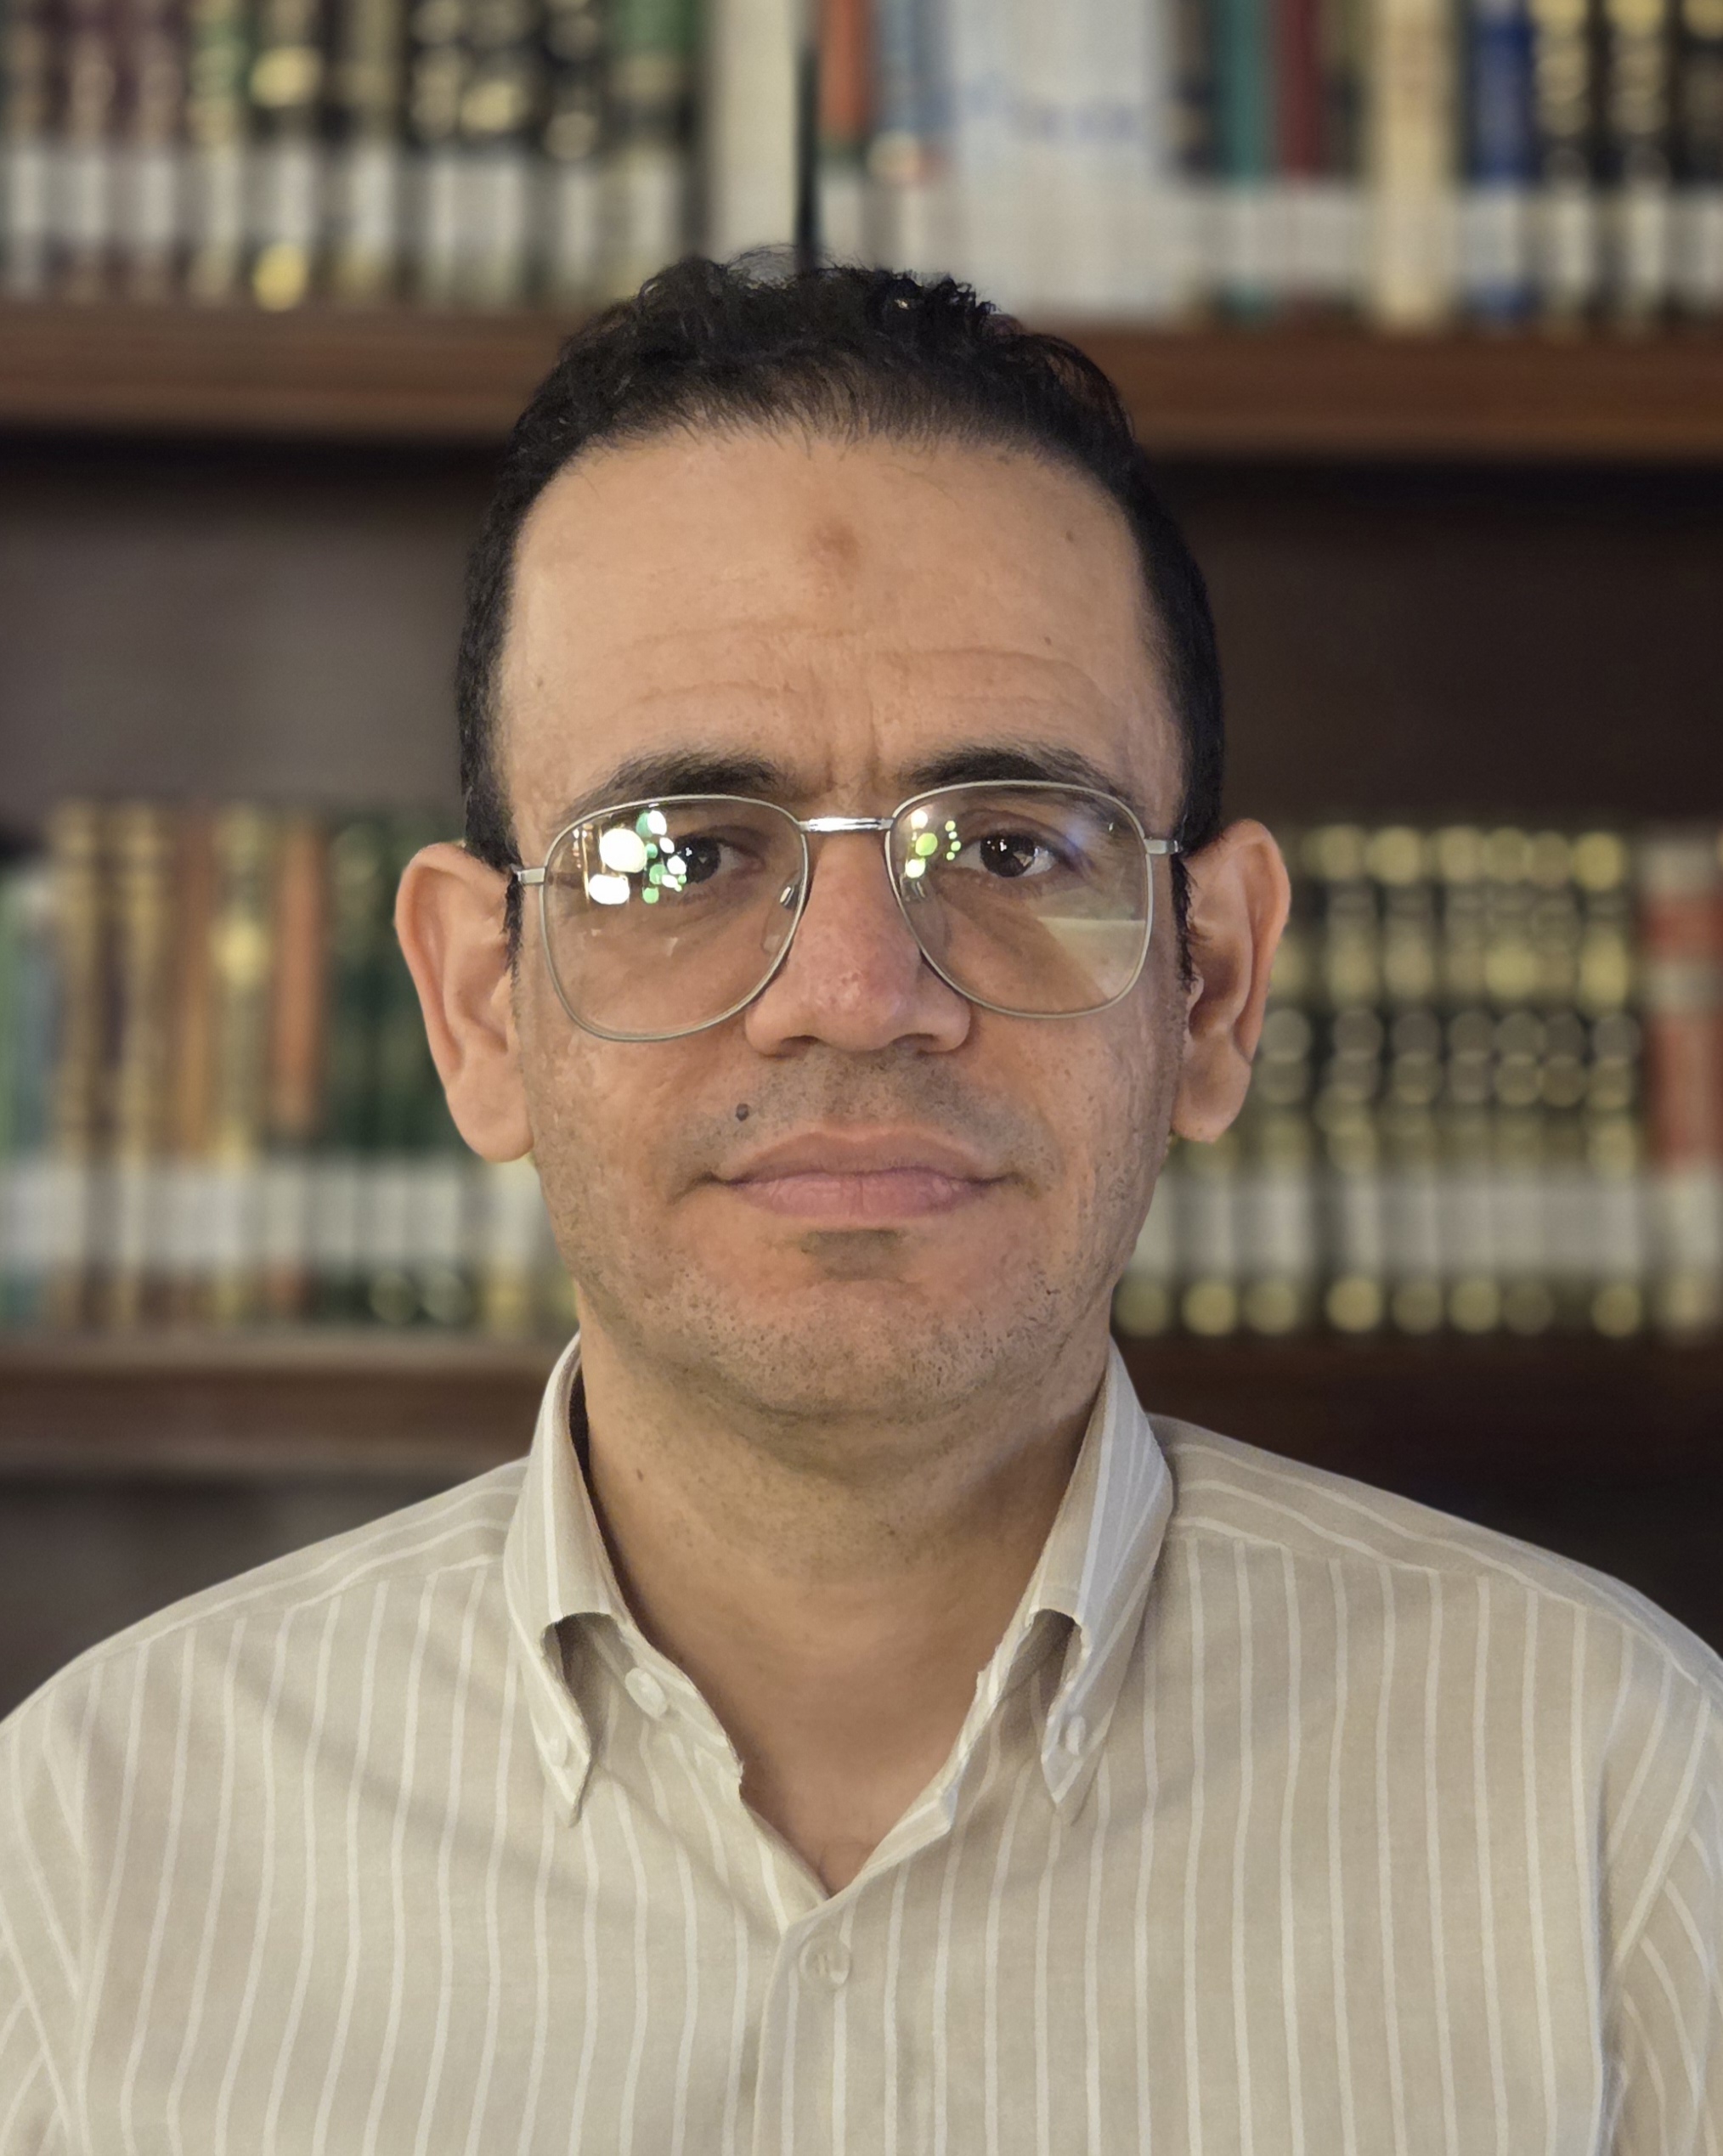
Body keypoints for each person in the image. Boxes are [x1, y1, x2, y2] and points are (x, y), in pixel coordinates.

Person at [2, 257, 1719, 2153]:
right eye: (678, 855)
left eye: (1011, 845)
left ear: (1213, 984)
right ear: (481, 1007)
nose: (855, 990)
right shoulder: (84, 1857)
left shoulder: (1617, 1804)